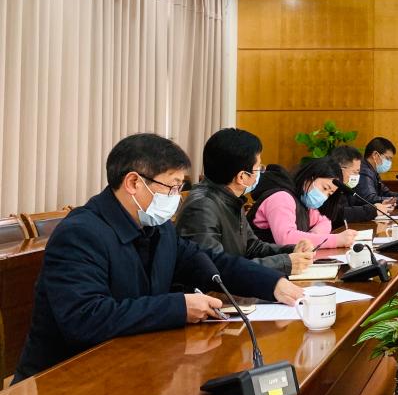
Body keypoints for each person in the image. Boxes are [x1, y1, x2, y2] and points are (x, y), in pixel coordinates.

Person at [13, 134, 305, 381]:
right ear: (133, 183)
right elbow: (86, 318)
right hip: (68, 380)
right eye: (172, 187)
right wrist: (179, 307)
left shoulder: (158, 228)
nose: (176, 197)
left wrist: (272, 284)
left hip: (132, 367)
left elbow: (208, 262)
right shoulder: (80, 234)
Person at [176, 128, 315, 276]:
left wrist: (291, 250)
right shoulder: (202, 207)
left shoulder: (230, 198)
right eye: (258, 168)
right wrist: (284, 263)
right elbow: (215, 267)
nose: (261, 173)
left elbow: (251, 247)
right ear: (242, 176)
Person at [249, 158, 357, 248]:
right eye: (324, 188)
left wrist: (311, 237)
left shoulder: (305, 201)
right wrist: (335, 240)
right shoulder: (281, 197)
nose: (324, 196)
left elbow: (325, 221)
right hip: (260, 262)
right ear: (309, 178)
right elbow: (286, 239)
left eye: (329, 193)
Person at [321, 145, 394, 224]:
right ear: (340, 169)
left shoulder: (346, 187)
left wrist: (378, 205)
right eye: (355, 172)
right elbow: (338, 214)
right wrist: (372, 210)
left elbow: (354, 204)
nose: (357, 176)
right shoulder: (327, 187)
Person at [354, 137, 398, 208]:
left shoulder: (372, 171)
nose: (389, 162)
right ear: (375, 155)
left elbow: (385, 193)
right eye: (388, 158)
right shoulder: (364, 171)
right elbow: (369, 199)